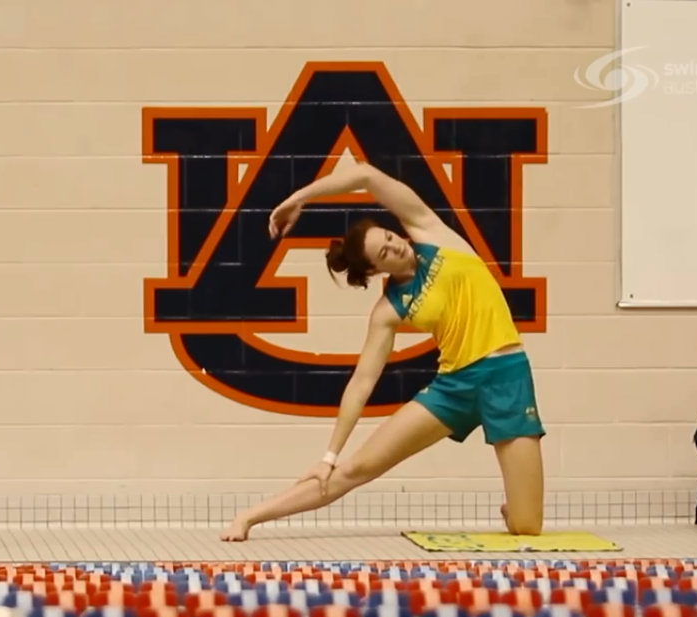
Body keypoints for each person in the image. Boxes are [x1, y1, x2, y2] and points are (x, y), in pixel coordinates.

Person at [220, 163, 545, 542]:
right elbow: (362, 382)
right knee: (356, 469)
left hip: (507, 376)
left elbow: (366, 175)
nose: (395, 245)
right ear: (374, 271)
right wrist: (329, 456)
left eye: (390, 237)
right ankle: (250, 516)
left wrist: (299, 197)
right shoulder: (389, 309)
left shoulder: (432, 232)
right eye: (384, 254)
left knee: (527, 526)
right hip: (454, 387)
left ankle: (515, 507)